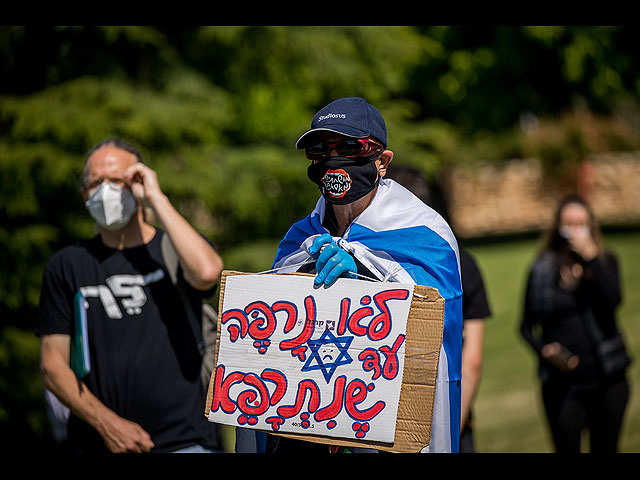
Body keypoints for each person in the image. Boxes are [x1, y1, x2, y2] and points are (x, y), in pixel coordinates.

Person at [236, 97, 463, 453]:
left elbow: (439, 310)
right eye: (319, 149)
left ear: (382, 161)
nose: (332, 158)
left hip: (383, 421)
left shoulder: (424, 231)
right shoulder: (299, 238)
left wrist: (368, 275)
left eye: (348, 146)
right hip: (306, 423)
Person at [36, 138, 224, 453]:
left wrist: (155, 198)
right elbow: (52, 365)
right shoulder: (67, 265)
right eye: (96, 182)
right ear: (85, 194)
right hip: (99, 441)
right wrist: (107, 424)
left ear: (138, 182)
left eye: (117, 180)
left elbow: (207, 273)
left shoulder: (173, 250)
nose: (105, 190)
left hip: (186, 441)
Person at [385, 165, 491, 453]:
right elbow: (471, 359)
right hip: (448, 411)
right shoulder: (461, 261)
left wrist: (444, 433)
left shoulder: (364, 260)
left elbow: (472, 359)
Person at [520, 194, 631, 453]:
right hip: (563, 384)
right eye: (568, 223)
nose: (574, 230)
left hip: (608, 377)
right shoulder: (541, 269)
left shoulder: (605, 261)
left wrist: (591, 259)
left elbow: (614, 300)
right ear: (558, 226)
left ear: (591, 226)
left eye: (581, 223)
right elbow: (525, 326)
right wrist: (544, 350)